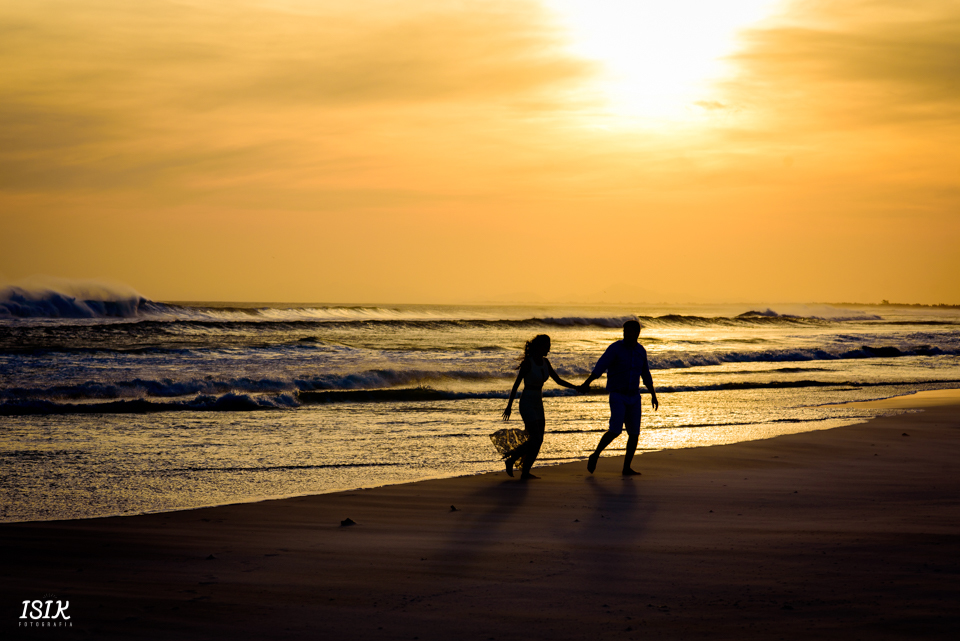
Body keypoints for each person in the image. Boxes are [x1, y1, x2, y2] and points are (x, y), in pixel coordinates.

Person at [579, 320, 659, 476]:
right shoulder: (615, 348)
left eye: (629, 331)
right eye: (625, 331)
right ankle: (595, 455)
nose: (626, 334)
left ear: (637, 333)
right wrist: (587, 383)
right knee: (615, 430)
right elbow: (600, 366)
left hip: (634, 396)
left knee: (634, 433)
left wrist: (653, 395)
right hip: (617, 395)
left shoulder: (641, 351)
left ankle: (626, 468)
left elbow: (646, 375)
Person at [501, 334, 579, 479]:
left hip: (538, 402)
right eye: (547, 346)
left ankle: (525, 472)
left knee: (538, 440)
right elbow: (516, 385)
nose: (549, 349)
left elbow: (558, 380)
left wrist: (576, 387)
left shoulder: (545, 362)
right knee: (535, 439)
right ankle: (511, 459)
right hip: (527, 402)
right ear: (539, 346)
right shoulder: (528, 363)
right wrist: (509, 406)